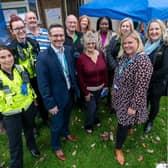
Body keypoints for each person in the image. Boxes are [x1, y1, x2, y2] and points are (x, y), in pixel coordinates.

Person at [36, 24, 80, 161]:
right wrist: (50, 104)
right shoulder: (43, 57)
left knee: (66, 117)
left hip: (69, 92)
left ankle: (66, 132)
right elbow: (43, 84)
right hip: (55, 98)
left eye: (61, 35)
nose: (59, 38)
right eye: (55, 35)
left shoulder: (67, 50)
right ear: (49, 37)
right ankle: (56, 146)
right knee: (56, 124)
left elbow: (70, 70)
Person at [112, 31, 153, 165]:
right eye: (125, 43)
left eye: (130, 42)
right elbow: (118, 73)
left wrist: (134, 106)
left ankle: (118, 148)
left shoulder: (143, 61)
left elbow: (141, 88)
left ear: (138, 42)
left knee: (122, 124)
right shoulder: (125, 56)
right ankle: (128, 127)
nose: (127, 45)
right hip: (121, 95)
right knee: (125, 121)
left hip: (130, 100)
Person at [0, 46, 40, 168]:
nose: (7, 60)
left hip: (27, 108)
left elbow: (28, 87)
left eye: (9, 56)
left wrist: (34, 100)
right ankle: (16, 164)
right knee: (15, 142)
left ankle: (32, 147)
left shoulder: (21, 68)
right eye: (2, 57)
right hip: (10, 114)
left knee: (29, 130)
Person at [8, 14, 49, 127]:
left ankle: (45, 118)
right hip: (23, 80)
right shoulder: (11, 48)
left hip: (37, 76)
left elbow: (39, 59)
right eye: (17, 29)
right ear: (12, 31)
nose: (21, 30)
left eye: (22, 27)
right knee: (29, 104)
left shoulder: (33, 42)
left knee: (40, 99)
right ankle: (32, 127)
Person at [76, 31, 108, 133]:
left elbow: (105, 71)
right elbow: (80, 77)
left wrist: (106, 85)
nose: (91, 45)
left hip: (101, 87)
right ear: (84, 44)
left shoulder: (101, 54)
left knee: (97, 105)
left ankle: (96, 118)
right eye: (88, 43)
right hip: (89, 89)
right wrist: (85, 92)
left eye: (93, 43)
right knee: (91, 107)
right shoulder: (81, 58)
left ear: (95, 43)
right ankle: (88, 125)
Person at [144, 19, 168, 133]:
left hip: (157, 83)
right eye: (151, 29)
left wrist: (147, 76)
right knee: (144, 100)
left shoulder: (165, 45)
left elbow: (164, 69)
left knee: (154, 103)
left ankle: (150, 121)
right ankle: (142, 116)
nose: (154, 31)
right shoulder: (145, 44)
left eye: (157, 29)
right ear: (148, 31)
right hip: (144, 81)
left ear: (162, 30)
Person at [106, 17, 135, 112]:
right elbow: (108, 52)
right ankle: (113, 105)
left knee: (126, 89)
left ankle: (124, 105)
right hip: (114, 69)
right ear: (120, 27)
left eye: (127, 26)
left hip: (128, 70)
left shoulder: (135, 39)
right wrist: (115, 67)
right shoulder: (115, 38)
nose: (125, 28)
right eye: (123, 26)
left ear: (131, 27)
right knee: (114, 88)